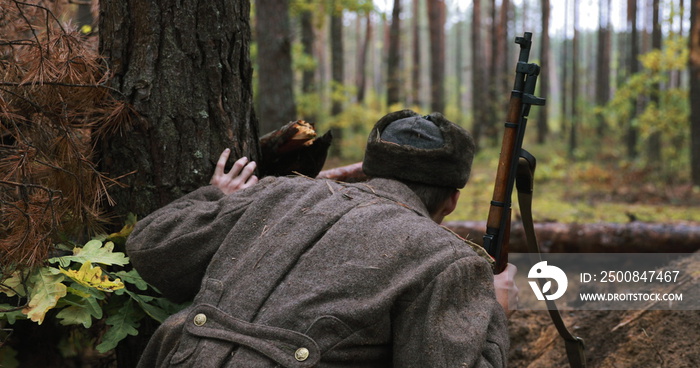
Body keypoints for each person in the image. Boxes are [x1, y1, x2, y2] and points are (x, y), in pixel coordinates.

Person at [126, 109, 518, 367]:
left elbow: (152, 248)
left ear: (367, 170)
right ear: (452, 200)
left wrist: (217, 196)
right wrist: (497, 311)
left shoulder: (276, 192)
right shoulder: (448, 260)